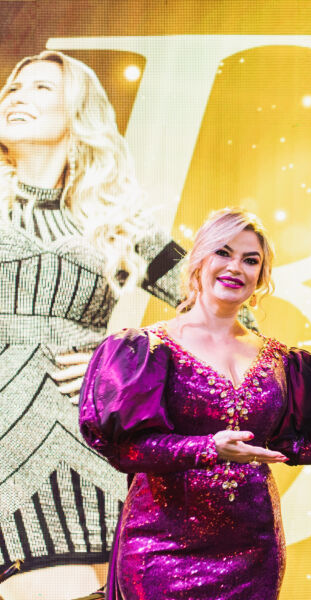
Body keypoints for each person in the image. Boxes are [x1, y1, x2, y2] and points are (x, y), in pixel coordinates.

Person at [0, 50, 188, 599]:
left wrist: (131, 361)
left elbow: (228, 313)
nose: (17, 97)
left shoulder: (119, 220)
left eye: (41, 88)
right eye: (14, 88)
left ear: (79, 112)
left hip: (68, 459)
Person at [79, 208, 311, 599]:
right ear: (198, 260)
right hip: (161, 550)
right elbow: (128, 450)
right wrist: (208, 448)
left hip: (254, 551)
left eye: (250, 260)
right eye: (223, 253)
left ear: (262, 276)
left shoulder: (283, 362)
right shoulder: (147, 350)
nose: (235, 267)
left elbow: (292, 444)